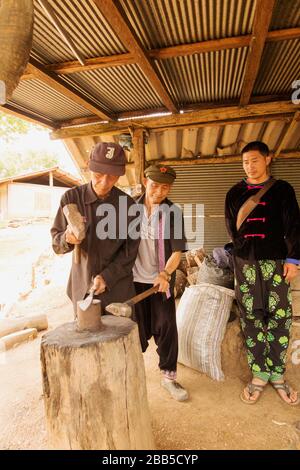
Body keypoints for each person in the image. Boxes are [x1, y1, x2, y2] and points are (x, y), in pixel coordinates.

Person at [225, 141, 300, 405]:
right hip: (245, 263)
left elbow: (293, 225)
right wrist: (241, 253)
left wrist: (293, 258)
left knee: (279, 315)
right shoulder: (234, 193)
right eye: (245, 161)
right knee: (251, 315)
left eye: (255, 160)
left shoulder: (282, 190)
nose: (250, 166)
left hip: (277, 262)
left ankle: (277, 373)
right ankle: (259, 373)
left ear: (268, 159)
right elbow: (232, 231)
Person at [51, 142, 140, 313]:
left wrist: (107, 277)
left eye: (112, 176)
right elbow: (56, 244)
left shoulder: (129, 206)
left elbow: (130, 252)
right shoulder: (71, 198)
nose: (105, 182)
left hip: (118, 290)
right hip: (83, 288)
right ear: (89, 167)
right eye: (99, 174)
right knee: (85, 336)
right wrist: (67, 239)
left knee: (122, 337)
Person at [133, 164, 188, 401]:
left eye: (165, 187)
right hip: (133, 281)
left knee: (166, 327)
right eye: (155, 185)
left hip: (160, 282)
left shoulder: (173, 212)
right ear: (146, 182)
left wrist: (165, 274)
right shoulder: (127, 208)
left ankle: (169, 378)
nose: (159, 191)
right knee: (135, 329)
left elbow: (177, 251)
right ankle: (131, 376)